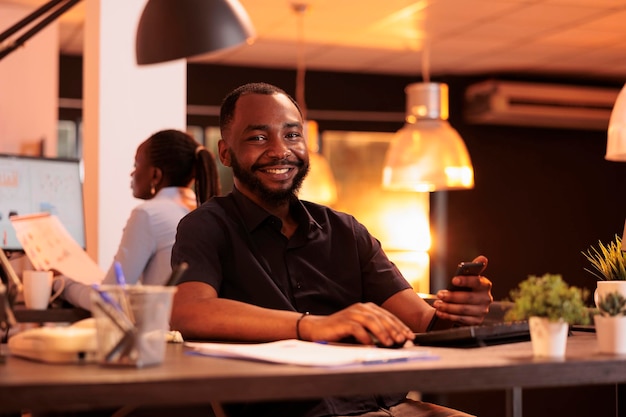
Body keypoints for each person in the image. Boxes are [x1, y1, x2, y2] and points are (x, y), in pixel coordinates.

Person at [170, 83, 493, 417]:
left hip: (390, 405)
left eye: (292, 135)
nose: (280, 150)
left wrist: (458, 312)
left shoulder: (347, 231)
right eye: (258, 138)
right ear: (226, 153)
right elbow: (188, 312)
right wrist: (311, 325)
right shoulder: (207, 225)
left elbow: (425, 324)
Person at [58, 129, 220, 310]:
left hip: (164, 333)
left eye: (136, 165)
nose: (132, 174)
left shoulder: (149, 214)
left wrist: (62, 285)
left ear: (155, 175)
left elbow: (110, 299)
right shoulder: (203, 211)